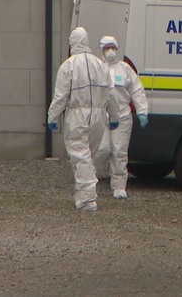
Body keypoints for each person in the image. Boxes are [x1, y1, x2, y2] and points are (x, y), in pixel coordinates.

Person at [47, 27, 120, 212]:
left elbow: (61, 96)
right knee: (89, 157)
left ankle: (88, 200)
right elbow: (111, 94)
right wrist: (114, 116)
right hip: (99, 117)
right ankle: (81, 195)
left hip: (78, 116)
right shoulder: (100, 65)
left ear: (72, 43)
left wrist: (53, 116)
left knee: (80, 157)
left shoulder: (68, 66)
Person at [95, 36, 149, 199]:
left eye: (113, 48)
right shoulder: (96, 68)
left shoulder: (125, 69)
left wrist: (142, 111)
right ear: (102, 50)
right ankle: (89, 179)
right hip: (102, 115)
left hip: (123, 115)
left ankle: (119, 186)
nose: (110, 51)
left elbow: (137, 90)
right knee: (102, 148)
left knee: (119, 150)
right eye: (107, 48)